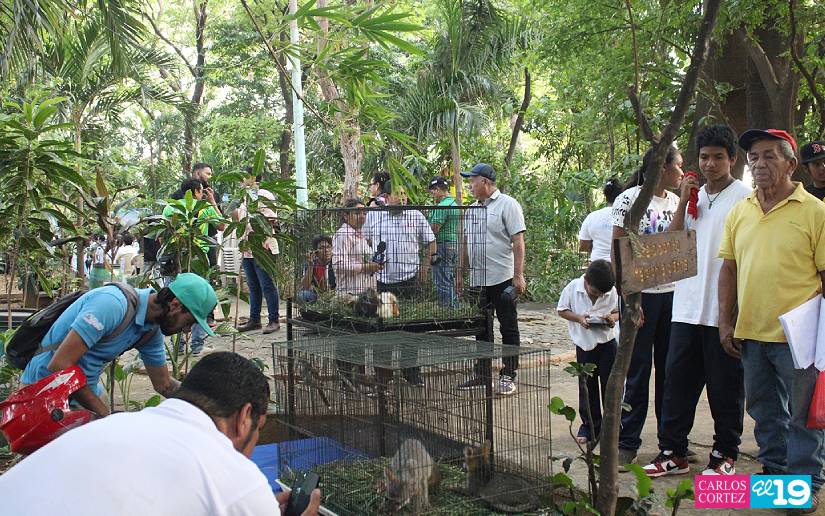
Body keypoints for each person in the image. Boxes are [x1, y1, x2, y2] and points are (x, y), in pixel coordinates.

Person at [0, 352, 322, 516]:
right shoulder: (237, 478)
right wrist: (250, 502)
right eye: (259, 429)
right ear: (245, 417)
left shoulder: (114, 425)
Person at [718, 129, 825, 509]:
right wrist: (725, 322)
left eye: (769, 156)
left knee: (803, 414)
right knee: (764, 412)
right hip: (752, 332)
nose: (759, 164)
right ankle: (777, 474)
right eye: (753, 157)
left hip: (800, 337)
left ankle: (806, 482)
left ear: (791, 164)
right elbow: (728, 269)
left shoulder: (814, 211)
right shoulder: (741, 210)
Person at [640, 125, 751, 478]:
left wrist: (735, 311)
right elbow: (672, 244)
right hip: (686, 307)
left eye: (718, 157)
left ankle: (725, 453)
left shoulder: (745, 197)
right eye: (704, 157)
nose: (710, 164)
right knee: (676, 384)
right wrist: (684, 200)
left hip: (723, 311)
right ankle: (673, 452)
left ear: (732, 159)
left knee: (725, 387)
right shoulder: (694, 197)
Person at [19, 273, 217, 417]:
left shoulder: (150, 331)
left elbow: (164, 384)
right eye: (189, 322)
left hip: (82, 395)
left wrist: (208, 406)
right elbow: (60, 365)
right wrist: (104, 414)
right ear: (175, 305)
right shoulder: (112, 305)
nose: (186, 331)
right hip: (44, 392)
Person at [611, 145, 683, 468]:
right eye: (678, 165)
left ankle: (671, 443)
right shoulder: (630, 200)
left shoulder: (676, 202)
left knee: (670, 371)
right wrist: (629, 297)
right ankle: (628, 441)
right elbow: (618, 248)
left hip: (672, 295)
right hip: (641, 296)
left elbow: (678, 244)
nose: (681, 171)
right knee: (638, 371)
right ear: (662, 167)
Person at [456, 163, 527, 396]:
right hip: (478, 279)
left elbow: (518, 242)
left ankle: (508, 374)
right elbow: (466, 243)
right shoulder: (471, 209)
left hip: (502, 277)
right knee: (481, 328)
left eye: (472, 181)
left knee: (508, 326)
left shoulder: (508, 205)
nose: (470, 186)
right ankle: (482, 372)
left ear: (485, 182)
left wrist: (518, 275)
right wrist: (460, 273)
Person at [557, 259, 619, 444]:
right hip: (584, 345)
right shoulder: (573, 288)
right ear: (586, 280)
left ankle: (612, 425)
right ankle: (590, 425)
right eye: (595, 292)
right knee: (587, 387)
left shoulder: (612, 291)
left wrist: (611, 318)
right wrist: (578, 318)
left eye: (602, 294)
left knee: (610, 385)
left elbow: (619, 311)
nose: (599, 295)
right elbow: (562, 310)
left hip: (607, 343)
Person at [163, 178, 217, 355]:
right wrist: (212, 201)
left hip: (176, 258)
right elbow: (222, 225)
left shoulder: (170, 207)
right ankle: (197, 346)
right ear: (196, 191)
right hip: (198, 259)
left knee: (174, 301)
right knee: (199, 302)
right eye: (201, 190)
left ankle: (177, 347)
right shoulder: (204, 207)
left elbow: (164, 232)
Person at [365, 180, 436, 299]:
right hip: (382, 280)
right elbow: (365, 242)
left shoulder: (415, 215)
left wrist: (424, 268)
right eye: (398, 194)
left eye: (404, 194)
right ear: (386, 197)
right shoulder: (373, 215)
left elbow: (431, 241)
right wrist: (369, 263)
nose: (403, 197)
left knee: (410, 309)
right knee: (385, 310)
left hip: (411, 279)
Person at [235, 172, 281, 334]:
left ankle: (274, 320)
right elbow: (239, 219)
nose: (241, 181)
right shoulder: (244, 197)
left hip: (263, 247)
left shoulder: (264, 194)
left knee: (267, 285)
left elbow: (271, 219)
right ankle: (254, 320)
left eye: (243, 177)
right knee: (253, 286)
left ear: (253, 178)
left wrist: (262, 238)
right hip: (247, 248)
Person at [333, 199, 383, 295]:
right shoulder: (343, 234)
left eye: (364, 213)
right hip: (350, 294)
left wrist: (375, 265)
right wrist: (365, 267)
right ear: (346, 215)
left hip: (366, 293)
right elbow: (338, 266)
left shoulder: (360, 235)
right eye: (357, 213)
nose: (362, 216)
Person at [427, 176, 460, 308]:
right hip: (453, 244)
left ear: (438, 189)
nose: (432, 194)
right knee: (448, 277)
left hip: (442, 245)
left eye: (433, 191)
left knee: (441, 279)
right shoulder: (453, 204)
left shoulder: (442, 206)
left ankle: (448, 309)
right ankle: (454, 306)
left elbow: (435, 228)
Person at [578, 177, 624, 262]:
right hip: (621, 265)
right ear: (622, 195)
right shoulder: (628, 216)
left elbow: (583, 246)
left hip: (597, 265)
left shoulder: (592, 217)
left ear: (605, 195)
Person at [297, 235, 336, 303]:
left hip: (335, 296)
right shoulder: (311, 263)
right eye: (322, 248)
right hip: (317, 296)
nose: (326, 250)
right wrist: (310, 266)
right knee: (301, 295)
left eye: (328, 247)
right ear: (316, 252)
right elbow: (304, 287)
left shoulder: (336, 262)